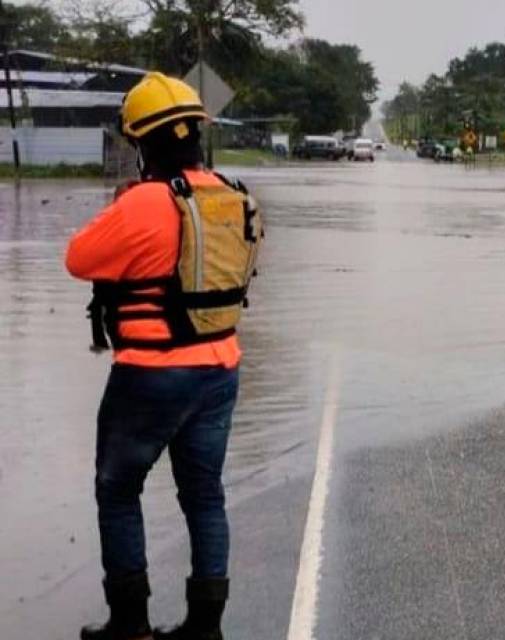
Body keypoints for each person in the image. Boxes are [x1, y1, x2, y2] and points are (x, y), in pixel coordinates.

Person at [66, 72, 263, 640]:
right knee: (204, 495)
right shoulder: (235, 195)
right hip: (221, 368)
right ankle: (206, 627)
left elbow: (79, 258)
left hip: (150, 374)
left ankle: (131, 625)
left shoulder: (146, 202)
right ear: (197, 133)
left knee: (118, 489)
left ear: (142, 143)